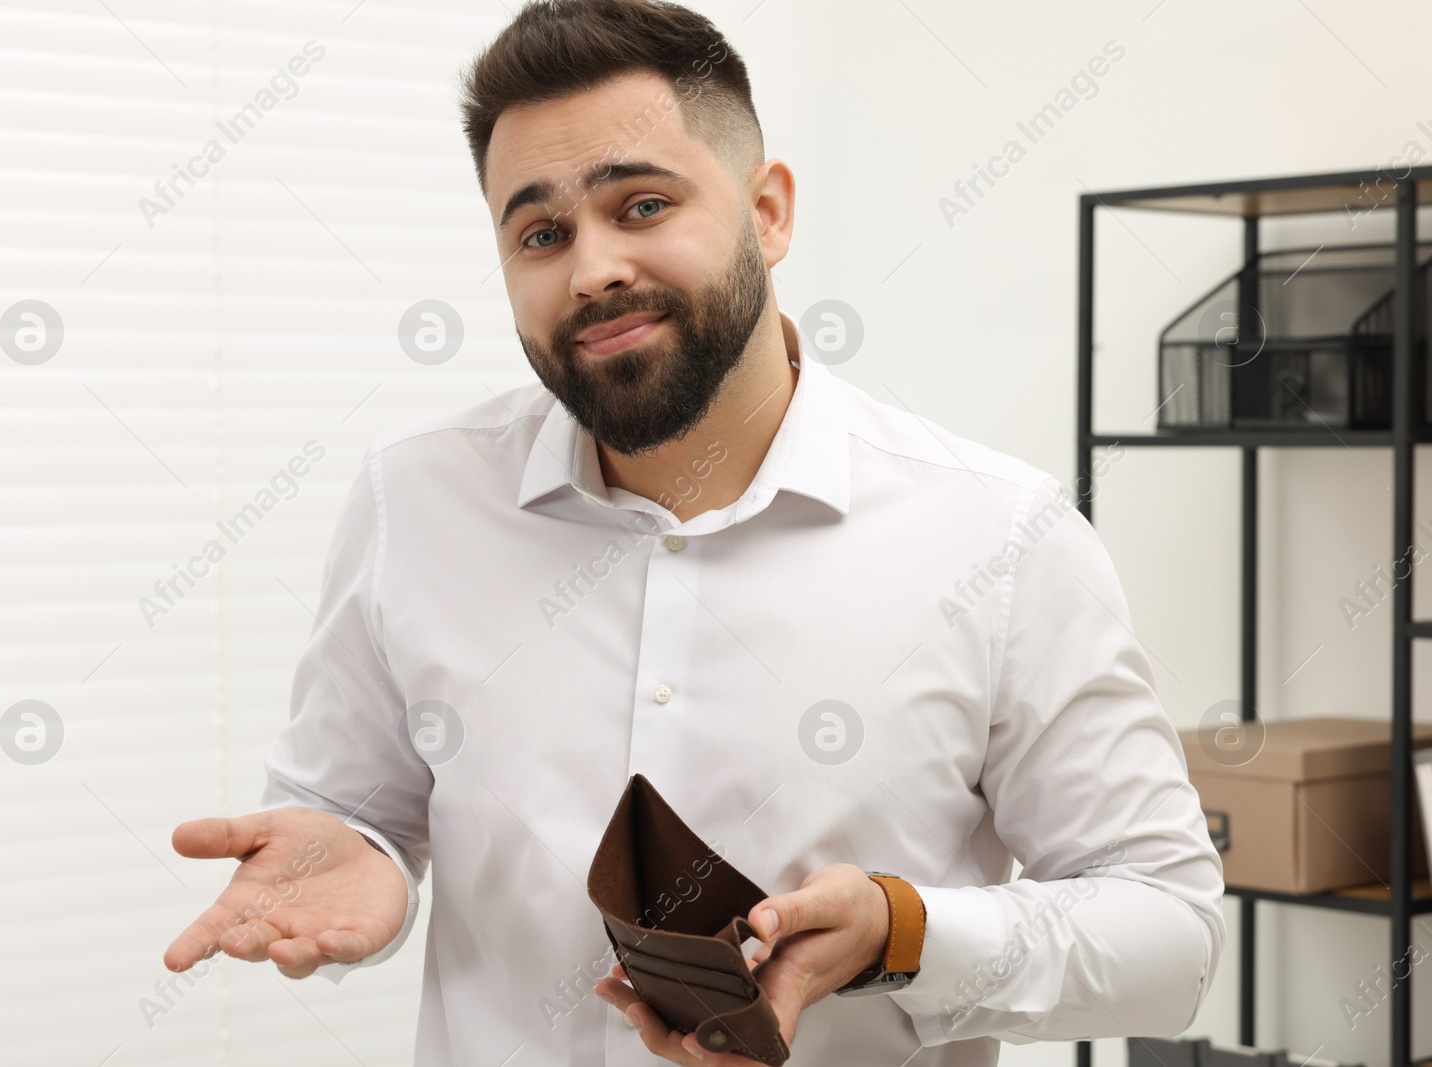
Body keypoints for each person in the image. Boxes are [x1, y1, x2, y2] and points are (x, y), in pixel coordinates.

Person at [164, 1, 1224, 1064]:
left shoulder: (1001, 537)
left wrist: (903, 933)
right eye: (540, 233)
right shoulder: (414, 496)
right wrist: (361, 856)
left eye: (640, 205)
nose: (591, 271)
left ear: (767, 212)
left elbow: (1169, 932)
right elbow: (355, 814)